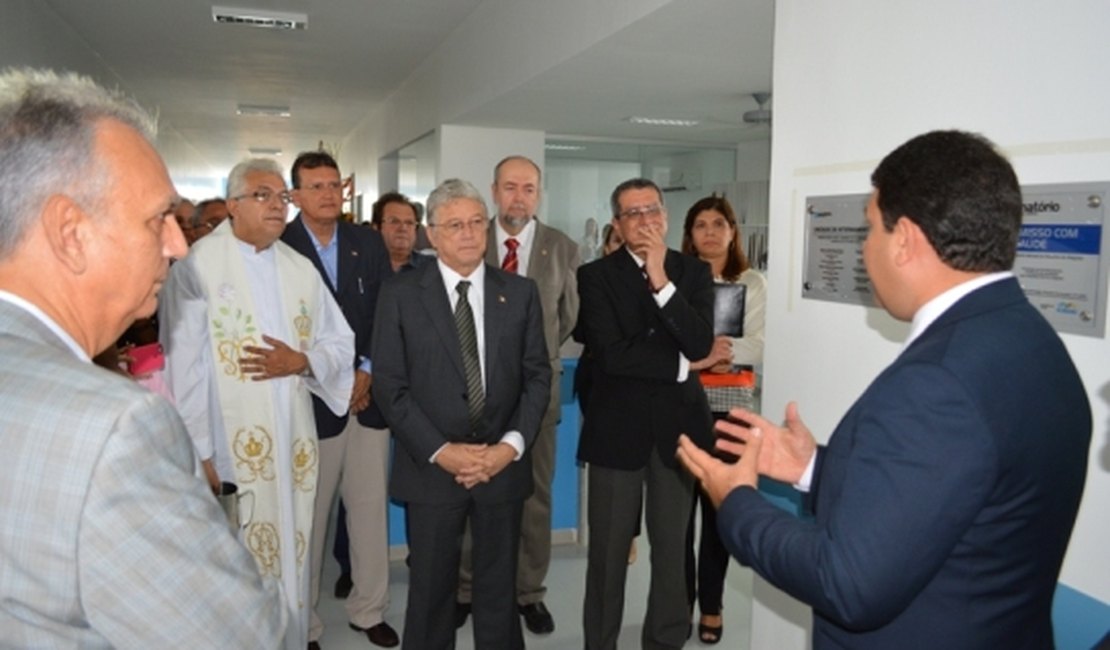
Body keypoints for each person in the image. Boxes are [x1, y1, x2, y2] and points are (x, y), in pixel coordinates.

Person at [677, 130, 1092, 650]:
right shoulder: (1027, 339)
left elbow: (848, 584)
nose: (862, 249)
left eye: (869, 229)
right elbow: (944, 499)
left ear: (906, 240)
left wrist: (736, 503)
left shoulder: (938, 383)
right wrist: (814, 468)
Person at [0, 67, 285, 647]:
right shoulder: (114, 428)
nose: (178, 245)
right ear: (70, 232)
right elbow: (241, 636)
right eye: (158, 218)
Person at [160, 157, 355, 650]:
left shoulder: (298, 268)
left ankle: (290, 636)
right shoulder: (198, 265)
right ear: (232, 206)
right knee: (236, 557)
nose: (276, 206)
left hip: (291, 441)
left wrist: (302, 361)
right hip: (229, 447)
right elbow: (185, 368)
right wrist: (199, 451)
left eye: (281, 198)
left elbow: (340, 343)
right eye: (263, 196)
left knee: (292, 548)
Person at [372, 178, 550, 650]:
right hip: (431, 468)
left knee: (498, 591)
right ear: (431, 234)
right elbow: (391, 387)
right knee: (431, 593)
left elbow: (537, 378)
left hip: (501, 468)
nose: (469, 234)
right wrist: (441, 451)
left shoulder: (521, 292)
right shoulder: (401, 293)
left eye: (476, 223)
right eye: (455, 225)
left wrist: (509, 449)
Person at [576, 178, 727, 650]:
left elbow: (702, 340)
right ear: (617, 224)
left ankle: (664, 641)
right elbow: (613, 355)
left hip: (678, 433)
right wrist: (683, 364)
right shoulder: (596, 276)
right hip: (616, 433)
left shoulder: (694, 274)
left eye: (653, 210)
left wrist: (662, 280)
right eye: (633, 213)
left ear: (664, 215)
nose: (646, 220)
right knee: (607, 553)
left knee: (671, 551)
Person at [455, 155, 579, 635]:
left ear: (539, 194)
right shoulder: (469, 239)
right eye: (510, 187)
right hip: (472, 394)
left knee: (535, 498)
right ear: (494, 190)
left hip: (537, 398)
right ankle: (466, 588)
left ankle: (529, 592)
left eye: (529, 188)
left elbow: (566, 319)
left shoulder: (562, 249)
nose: (519, 197)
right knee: (471, 491)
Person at [280, 151, 399, 649]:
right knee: (309, 518)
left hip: (366, 400)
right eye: (316, 186)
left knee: (369, 511)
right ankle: (304, 623)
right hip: (311, 404)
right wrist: (331, 376)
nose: (328, 194)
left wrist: (367, 370)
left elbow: (386, 311)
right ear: (296, 195)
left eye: (335, 185)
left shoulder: (365, 243)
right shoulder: (281, 248)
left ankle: (367, 610)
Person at [679, 195, 766, 645]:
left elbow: (759, 343)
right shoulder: (674, 281)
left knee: (717, 517)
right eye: (700, 225)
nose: (709, 232)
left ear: (733, 231)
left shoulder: (751, 283)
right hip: (679, 405)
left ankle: (711, 606)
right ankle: (679, 608)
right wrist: (705, 353)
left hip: (730, 411)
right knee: (676, 519)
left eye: (719, 224)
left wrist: (716, 352)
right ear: (689, 235)